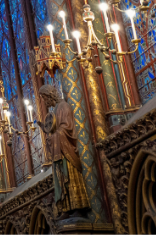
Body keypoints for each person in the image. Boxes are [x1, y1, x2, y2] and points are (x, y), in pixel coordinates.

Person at [39, 84, 89, 218]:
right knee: (61, 178)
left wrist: (53, 136)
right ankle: (67, 208)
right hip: (60, 150)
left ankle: (77, 206)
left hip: (67, 151)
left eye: (45, 98)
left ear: (50, 95)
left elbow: (66, 128)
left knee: (70, 176)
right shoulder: (55, 109)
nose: (45, 101)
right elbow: (55, 127)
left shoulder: (63, 107)